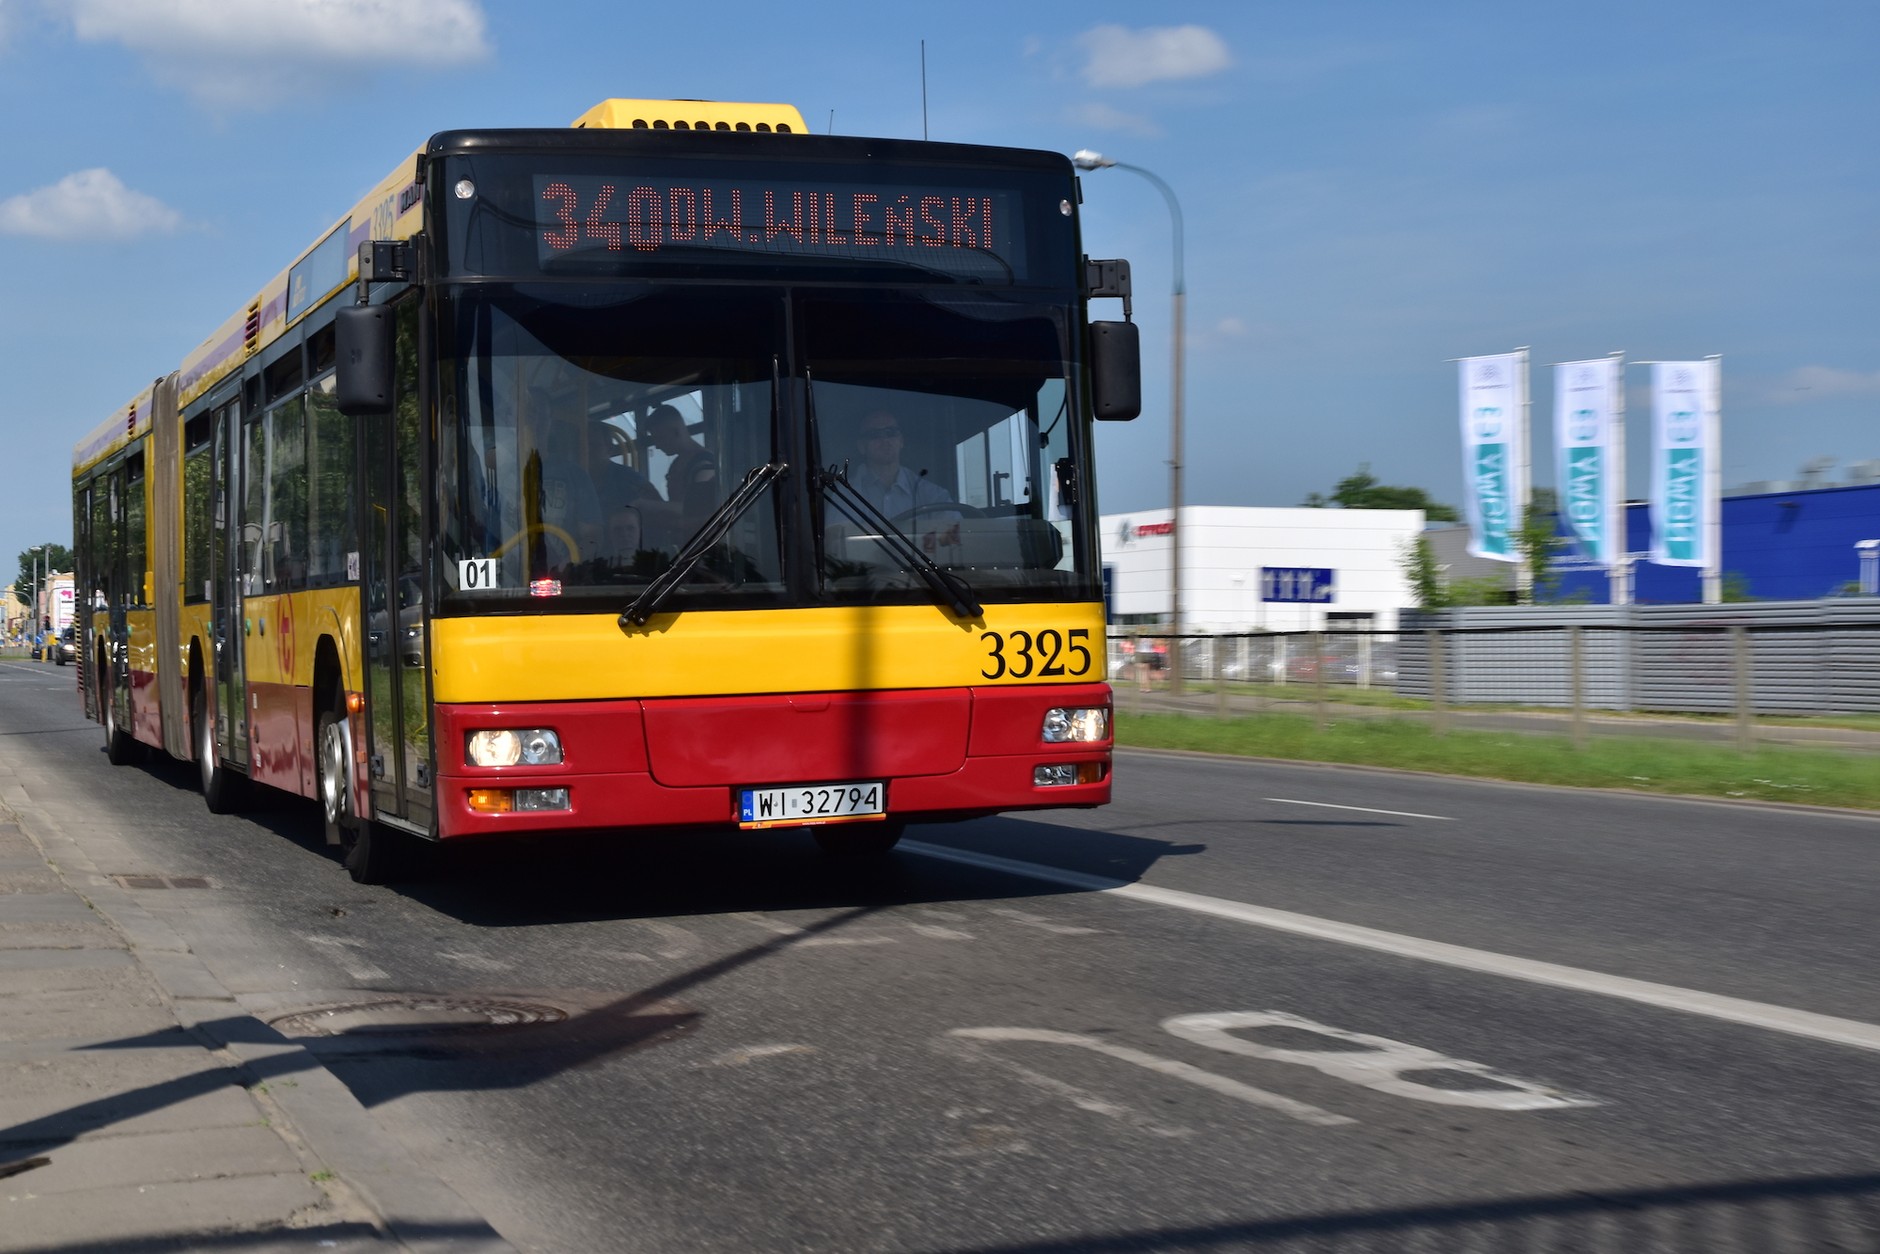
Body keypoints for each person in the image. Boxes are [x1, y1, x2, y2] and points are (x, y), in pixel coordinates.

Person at [849, 410, 953, 520]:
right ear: (861, 446)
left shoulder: (934, 496)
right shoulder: (845, 493)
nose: (885, 440)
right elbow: (839, 529)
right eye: (874, 434)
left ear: (901, 441)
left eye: (891, 432)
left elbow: (954, 529)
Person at [644, 404, 719, 540]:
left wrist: (651, 506)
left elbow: (698, 511)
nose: (657, 445)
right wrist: (654, 497)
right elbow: (678, 505)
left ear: (676, 431)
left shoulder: (704, 465)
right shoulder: (676, 464)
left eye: (660, 438)